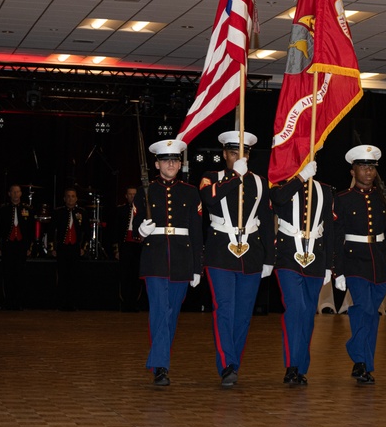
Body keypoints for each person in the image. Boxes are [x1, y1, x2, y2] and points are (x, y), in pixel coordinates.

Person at [199, 130, 275, 387]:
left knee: (243, 315)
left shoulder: (261, 182)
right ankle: (226, 364)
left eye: (243, 154)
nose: (238, 157)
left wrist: (269, 258)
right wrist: (234, 176)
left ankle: (234, 363)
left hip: (251, 254)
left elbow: (266, 221)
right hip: (220, 252)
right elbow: (209, 201)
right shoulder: (212, 178)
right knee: (224, 309)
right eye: (233, 153)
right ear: (224, 154)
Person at [332, 145, 386, 384]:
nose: (368, 172)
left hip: (380, 261)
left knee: (371, 314)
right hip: (354, 261)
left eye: (372, 167)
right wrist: (338, 270)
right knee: (364, 308)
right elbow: (336, 236)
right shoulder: (342, 199)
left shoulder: (383, 199)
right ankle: (360, 359)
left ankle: (364, 363)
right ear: (353, 171)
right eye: (363, 167)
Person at [134, 140, 203, 387]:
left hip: (182, 259)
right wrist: (141, 230)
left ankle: (158, 360)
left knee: (171, 315)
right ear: (156, 164)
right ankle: (162, 367)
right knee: (160, 312)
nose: (171, 164)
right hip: (155, 258)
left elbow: (196, 231)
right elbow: (133, 229)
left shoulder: (190, 191)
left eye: (175, 160)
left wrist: (197, 266)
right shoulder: (146, 190)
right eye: (166, 160)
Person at [269, 159, 334, 385]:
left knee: (307, 315)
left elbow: (330, 229)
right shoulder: (282, 186)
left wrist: (329, 265)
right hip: (288, 256)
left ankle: (301, 367)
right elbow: (277, 200)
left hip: (315, 258)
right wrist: (300, 178)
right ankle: (291, 366)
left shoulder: (325, 190)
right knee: (295, 309)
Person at [0, 184, 34, 310]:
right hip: (8, 245)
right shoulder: (3, 209)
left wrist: (30, 247)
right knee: (8, 274)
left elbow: (31, 231)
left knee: (20, 274)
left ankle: (19, 302)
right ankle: (8, 301)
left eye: (18, 192)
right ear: (9, 194)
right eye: (13, 192)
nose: (16, 194)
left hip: (21, 246)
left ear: (21, 194)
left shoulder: (27, 209)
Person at [50, 187, 87, 310]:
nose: (70, 199)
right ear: (64, 198)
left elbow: (86, 231)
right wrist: (52, 248)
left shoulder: (82, 212)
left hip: (75, 248)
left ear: (76, 198)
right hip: (62, 248)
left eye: (73, 196)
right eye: (68, 196)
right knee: (62, 276)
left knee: (74, 277)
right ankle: (61, 303)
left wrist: (83, 247)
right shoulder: (58, 212)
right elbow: (51, 232)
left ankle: (73, 303)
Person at [111, 186, 144, 312]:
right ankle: (124, 302)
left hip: (138, 246)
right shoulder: (120, 210)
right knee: (125, 275)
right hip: (125, 246)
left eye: (134, 194)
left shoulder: (143, 210)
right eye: (130, 194)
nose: (132, 196)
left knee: (136, 276)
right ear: (126, 196)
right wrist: (116, 250)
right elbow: (115, 231)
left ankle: (134, 302)